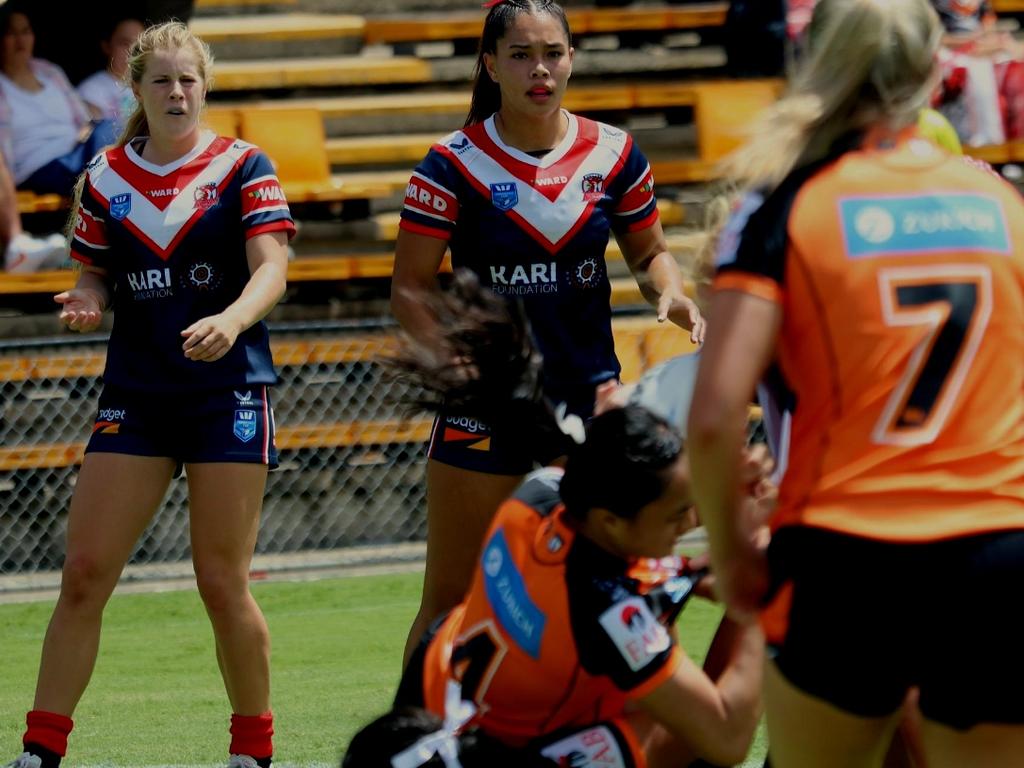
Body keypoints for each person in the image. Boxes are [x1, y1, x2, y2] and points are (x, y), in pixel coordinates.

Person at [688, 1, 1024, 767]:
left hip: (848, 557)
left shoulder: (784, 205)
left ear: (818, 61)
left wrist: (737, 555)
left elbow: (712, 417)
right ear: (935, 70)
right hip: (997, 556)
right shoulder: (1004, 204)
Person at [4, 20, 293, 768]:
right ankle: (39, 751)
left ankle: (252, 750)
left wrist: (231, 319)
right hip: (137, 394)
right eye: (160, 80)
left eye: (188, 79)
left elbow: (272, 269)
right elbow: (95, 269)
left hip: (224, 391)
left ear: (206, 86)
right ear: (135, 89)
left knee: (221, 584)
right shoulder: (104, 176)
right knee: (83, 574)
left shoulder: (243, 165)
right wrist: (87, 295)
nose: (176, 91)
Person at [391, 0, 706, 665]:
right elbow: (410, 288)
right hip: (488, 405)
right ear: (490, 66)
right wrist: (457, 368)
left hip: (591, 404)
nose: (540, 69)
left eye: (553, 53)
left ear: (572, 59)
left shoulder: (616, 153)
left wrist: (671, 290)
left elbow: (650, 254)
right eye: (521, 55)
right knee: (451, 597)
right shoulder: (451, 163)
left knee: (613, 584)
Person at [387, 272, 764, 768]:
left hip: (429, 709)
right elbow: (725, 739)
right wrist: (769, 590)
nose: (689, 523)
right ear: (612, 521)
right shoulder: (609, 606)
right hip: (483, 752)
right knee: (665, 728)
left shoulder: (544, 495)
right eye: (677, 515)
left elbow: (593, 469)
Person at [0, 2, 117, 198]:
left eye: (26, 31)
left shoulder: (49, 71)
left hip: (78, 153)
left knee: (111, 129)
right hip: (38, 168)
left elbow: (84, 118)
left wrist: (87, 130)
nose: (21, 40)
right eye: (11, 33)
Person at [76, 16, 144, 134]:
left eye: (139, 44)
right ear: (107, 46)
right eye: (124, 43)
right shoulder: (90, 90)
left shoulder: (154, 84)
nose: (132, 50)